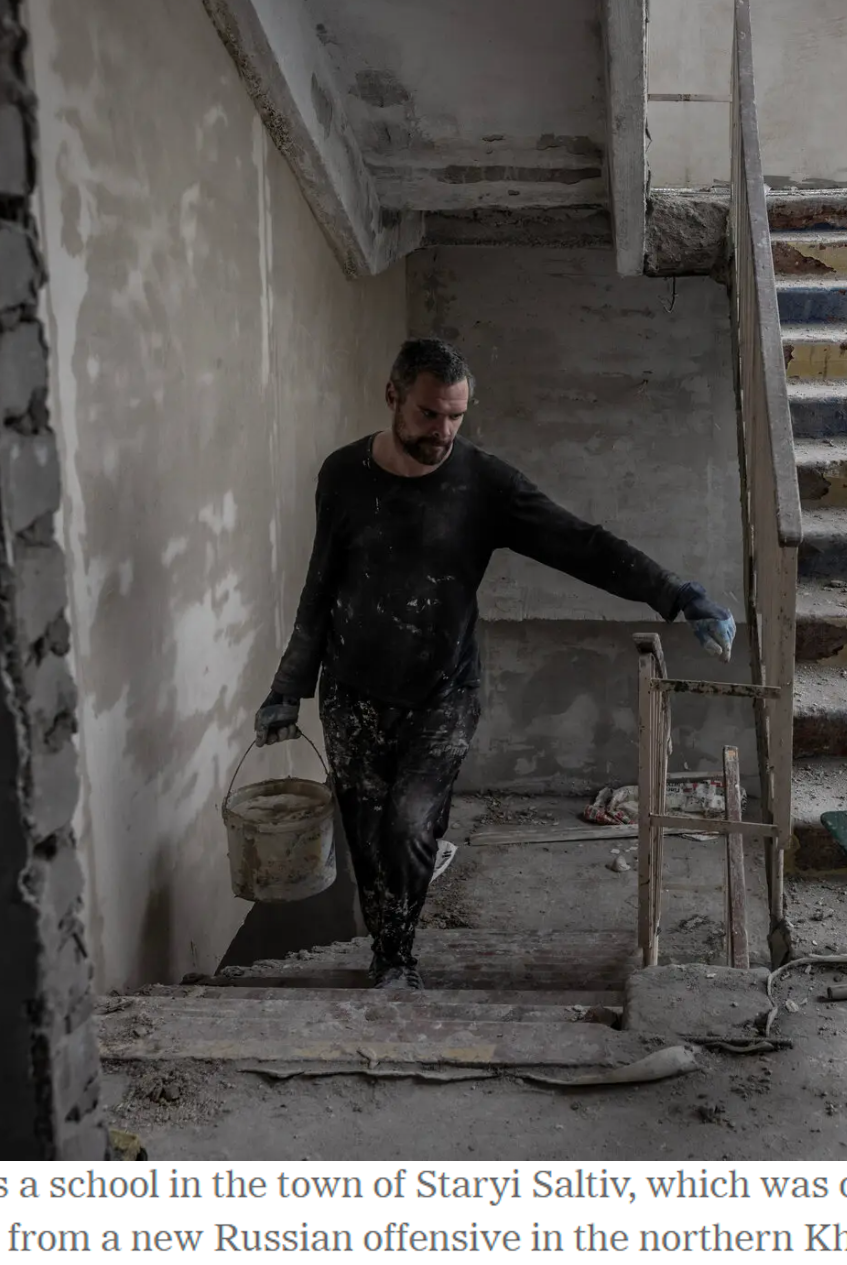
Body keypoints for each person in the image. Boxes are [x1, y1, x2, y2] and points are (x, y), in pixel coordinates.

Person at [254, 338, 736, 990]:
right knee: (366, 835)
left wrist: (676, 593)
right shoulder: (342, 474)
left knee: (409, 823)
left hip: (443, 691)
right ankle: (388, 953)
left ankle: (397, 962)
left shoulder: (483, 484)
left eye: (456, 416)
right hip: (351, 691)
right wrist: (287, 687)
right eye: (429, 414)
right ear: (392, 396)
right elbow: (320, 586)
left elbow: (581, 543)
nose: (443, 431)